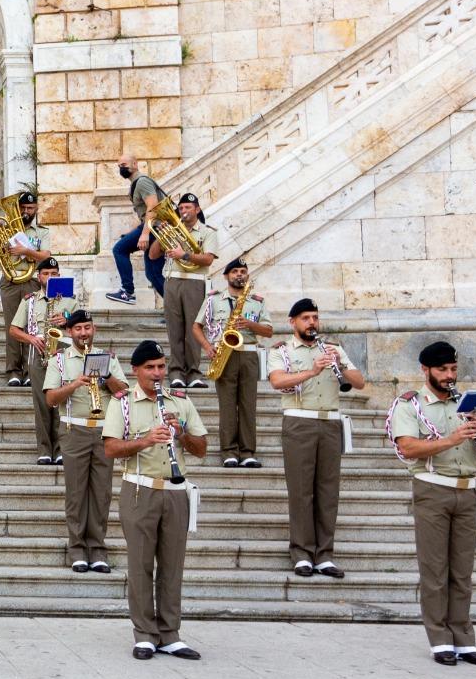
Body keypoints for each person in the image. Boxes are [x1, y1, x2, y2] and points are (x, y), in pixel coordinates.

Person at [388, 341, 476, 667]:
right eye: (442, 370)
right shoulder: (410, 405)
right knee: (435, 570)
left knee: (462, 572)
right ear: (426, 370)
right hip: (432, 489)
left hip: (467, 492)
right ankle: (440, 640)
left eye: (453, 369)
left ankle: (464, 641)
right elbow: (408, 449)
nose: (450, 375)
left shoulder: (467, 405)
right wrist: (451, 439)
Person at [104, 340, 207, 660]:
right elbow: (110, 449)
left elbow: (202, 447)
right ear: (135, 371)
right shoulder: (121, 403)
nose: (157, 373)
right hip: (139, 490)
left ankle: (170, 633)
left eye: (161, 366)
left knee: (173, 566)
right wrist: (146, 440)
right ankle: (145, 633)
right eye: (150, 368)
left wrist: (183, 435)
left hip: (176, 491)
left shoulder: (180, 401)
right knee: (140, 564)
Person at [267, 299, 367, 579]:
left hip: (330, 422)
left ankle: (324, 554)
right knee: (301, 491)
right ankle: (301, 553)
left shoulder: (333, 349)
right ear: (293, 323)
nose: (312, 323)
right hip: (299, 420)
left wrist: (338, 365)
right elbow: (277, 381)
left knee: (327, 492)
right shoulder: (282, 350)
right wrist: (312, 370)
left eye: (315, 317)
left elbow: (358, 382)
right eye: (306, 318)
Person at [44, 309, 129, 573]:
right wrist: (74, 384)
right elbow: (50, 399)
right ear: (70, 332)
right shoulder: (59, 361)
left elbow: (124, 392)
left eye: (88, 328)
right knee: (77, 493)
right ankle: (78, 548)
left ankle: (98, 548)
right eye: (79, 329)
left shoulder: (108, 358)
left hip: (104, 431)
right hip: (74, 431)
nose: (84, 333)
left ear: (94, 329)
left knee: (101, 494)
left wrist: (106, 377)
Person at [192, 258, 272, 467]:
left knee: (248, 406)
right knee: (227, 406)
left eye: (243, 271)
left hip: (248, 354)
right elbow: (196, 327)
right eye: (235, 271)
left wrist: (250, 324)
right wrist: (208, 347)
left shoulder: (257, 301)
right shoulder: (213, 300)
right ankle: (228, 451)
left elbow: (269, 331)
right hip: (223, 354)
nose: (239, 274)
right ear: (226, 276)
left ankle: (247, 452)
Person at [8, 257, 77, 465]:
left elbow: (82, 330)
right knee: (41, 403)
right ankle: (45, 449)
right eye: (46, 273)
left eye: (54, 274)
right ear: (39, 277)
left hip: (62, 353)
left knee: (62, 403)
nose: (50, 277)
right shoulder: (29, 300)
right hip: (38, 354)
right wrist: (31, 338)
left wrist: (68, 322)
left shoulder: (70, 300)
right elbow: (13, 330)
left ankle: (60, 448)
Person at [148, 192, 218, 388]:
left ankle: (194, 372)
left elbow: (208, 259)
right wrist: (161, 235)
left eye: (188, 208)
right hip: (172, 282)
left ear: (197, 209)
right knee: (174, 329)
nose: (184, 211)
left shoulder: (207, 232)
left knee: (194, 329)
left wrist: (184, 255)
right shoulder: (173, 229)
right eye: (181, 208)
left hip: (195, 281)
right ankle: (176, 371)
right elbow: (153, 255)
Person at [0, 191, 54, 386]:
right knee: (12, 326)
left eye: (30, 208)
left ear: (36, 209)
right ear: (17, 209)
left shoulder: (42, 232)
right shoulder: (7, 228)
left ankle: (30, 370)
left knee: (32, 326)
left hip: (32, 281)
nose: (27, 211)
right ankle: (13, 371)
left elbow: (47, 257)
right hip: (10, 282)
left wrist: (25, 251)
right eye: (23, 208)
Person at [105, 153, 167, 305]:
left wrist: (144, 234)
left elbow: (153, 207)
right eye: (119, 166)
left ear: (135, 164)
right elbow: (144, 213)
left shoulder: (142, 182)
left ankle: (127, 291)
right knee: (153, 274)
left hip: (155, 228)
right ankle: (175, 308)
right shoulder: (136, 183)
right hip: (155, 228)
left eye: (124, 165)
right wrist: (135, 232)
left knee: (119, 249)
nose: (122, 168)